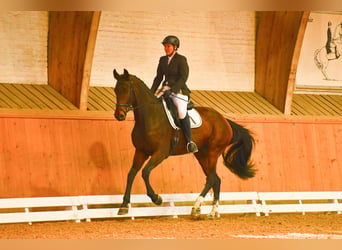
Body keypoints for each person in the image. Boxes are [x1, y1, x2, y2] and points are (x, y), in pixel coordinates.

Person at [150, 35, 198, 153]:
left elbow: (183, 77)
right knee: (152, 106)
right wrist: (150, 92)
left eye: (168, 46)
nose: (166, 48)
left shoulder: (181, 59)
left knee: (181, 112)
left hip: (179, 91)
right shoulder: (162, 60)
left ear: (175, 47)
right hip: (164, 89)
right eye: (165, 46)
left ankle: (189, 142)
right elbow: (158, 77)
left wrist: (173, 90)